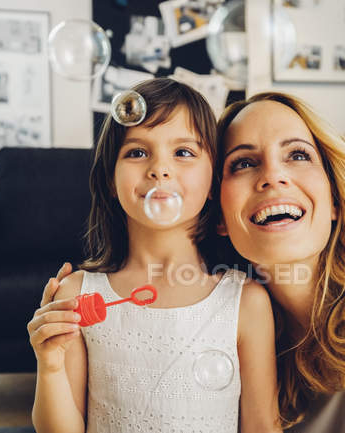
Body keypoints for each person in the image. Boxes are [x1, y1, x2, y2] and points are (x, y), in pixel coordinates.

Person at [40, 91, 345, 432]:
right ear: (216, 212)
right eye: (243, 163)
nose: (273, 177)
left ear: (334, 195)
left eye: (298, 155)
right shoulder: (245, 320)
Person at [27, 79, 281, 433]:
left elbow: (262, 427)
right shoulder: (77, 295)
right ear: (110, 181)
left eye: (183, 152)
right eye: (137, 152)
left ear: (214, 182)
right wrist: (50, 365)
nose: (160, 168)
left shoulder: (246, 302)